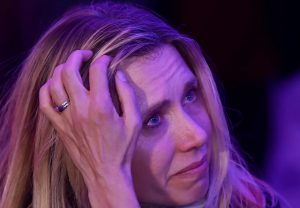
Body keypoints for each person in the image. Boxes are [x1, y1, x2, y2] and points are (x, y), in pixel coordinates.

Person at [0, 1, 280, 208]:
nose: (197, 136)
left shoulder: (255, 202)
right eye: (152, 120)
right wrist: (109, 183)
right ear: (79, 144)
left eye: (190, 95)